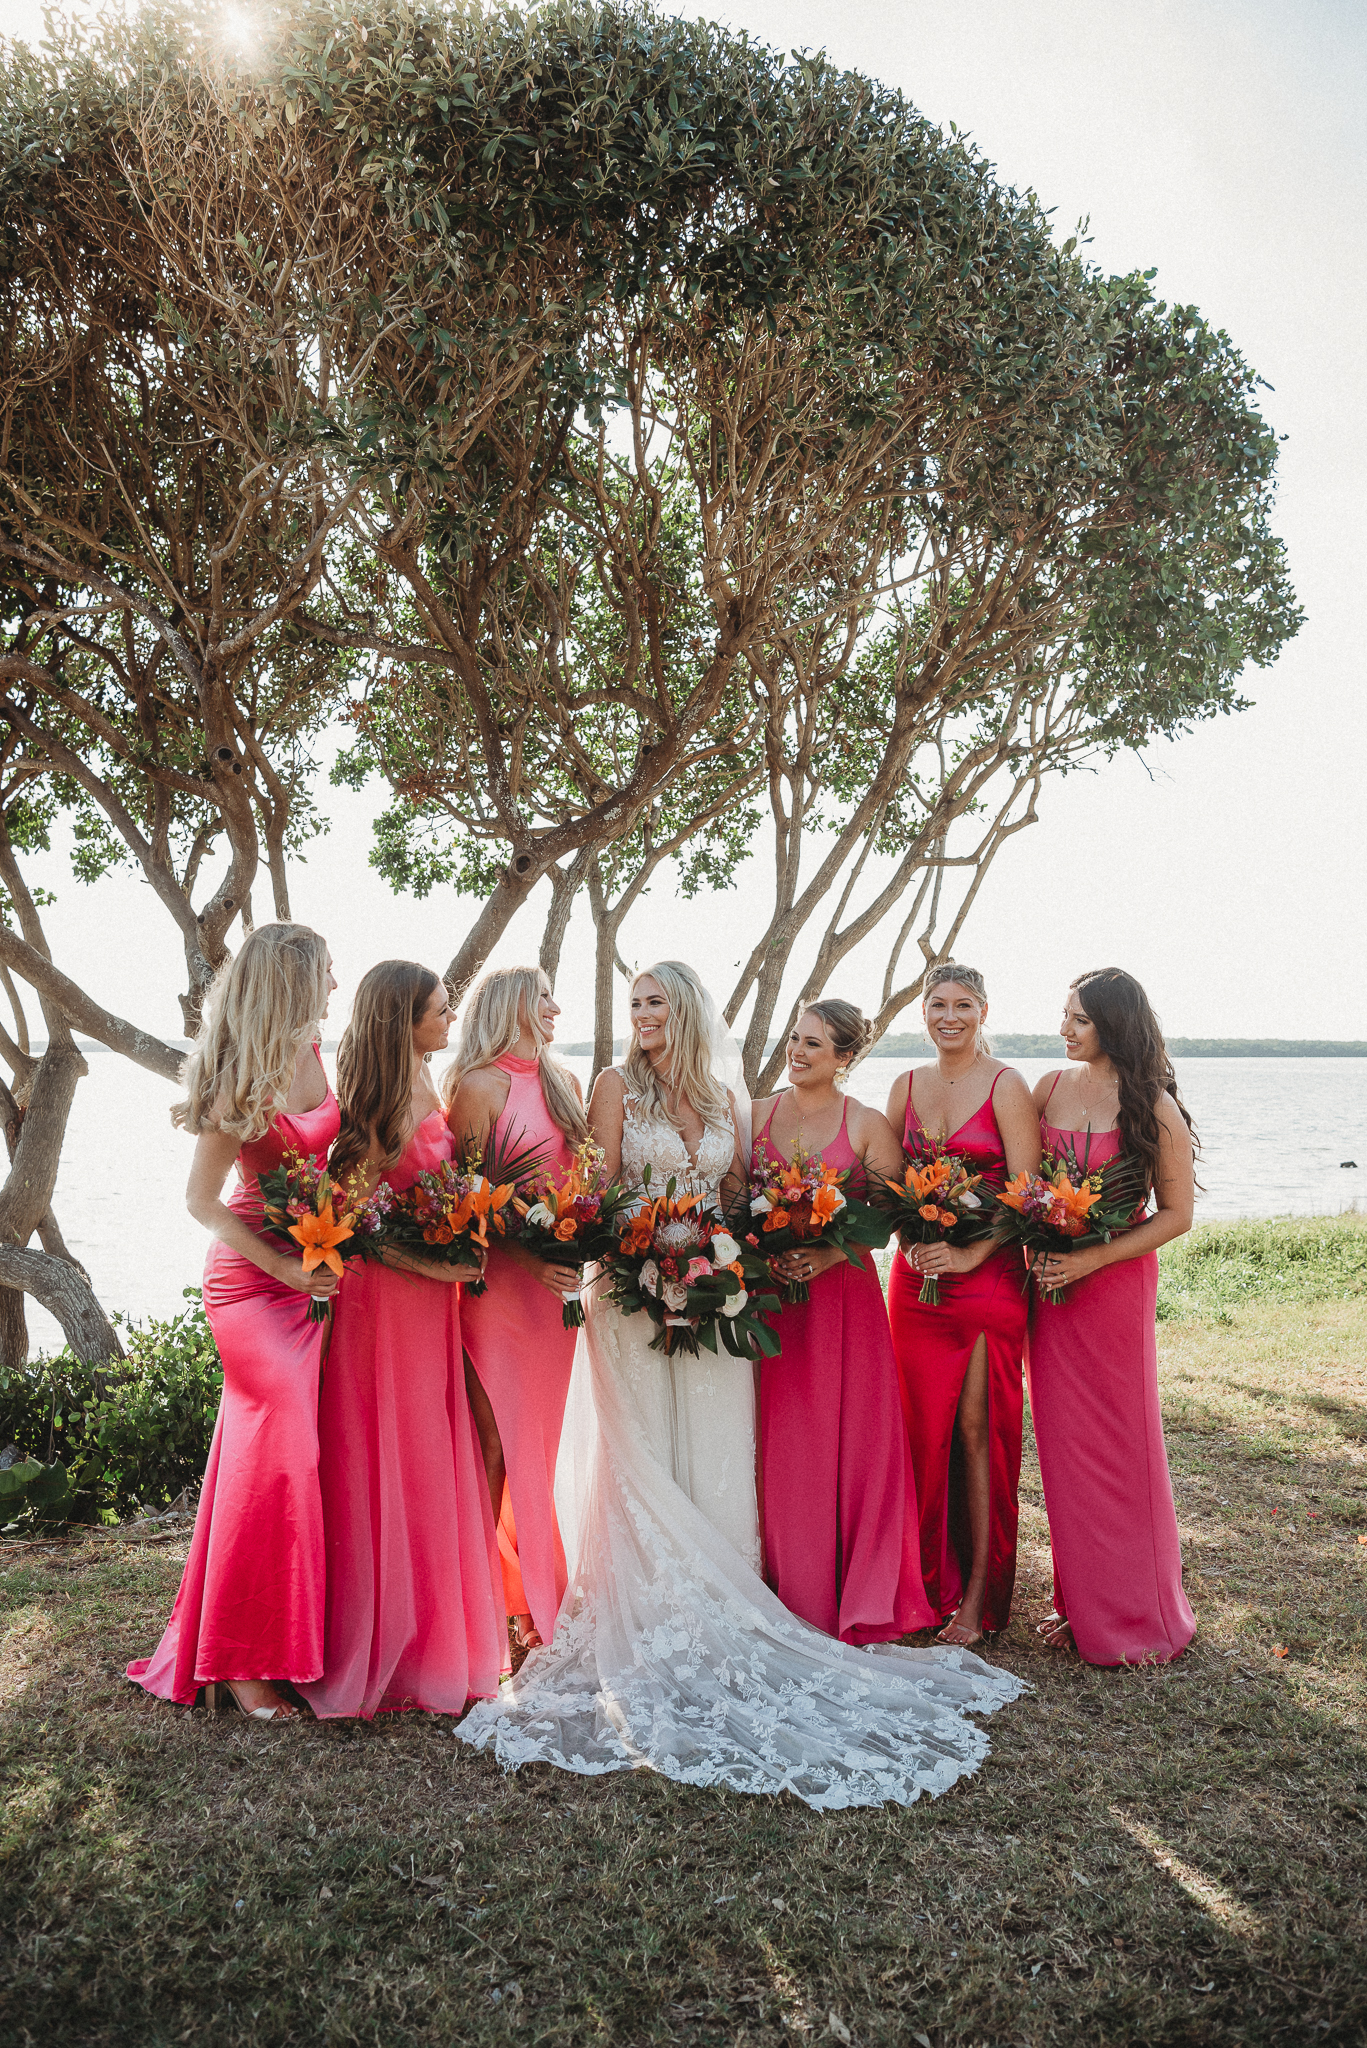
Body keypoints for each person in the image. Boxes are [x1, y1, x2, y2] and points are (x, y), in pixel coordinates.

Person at [456, 960, 1023, 1810]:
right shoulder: (614, 1085)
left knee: (722, 1446)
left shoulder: (728, 1101)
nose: (642, 1014)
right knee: (643, 1450)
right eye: (635, 1002)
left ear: (685, 1009)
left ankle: (727, 1600)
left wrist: (719, 1263)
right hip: (629, 1296)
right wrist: (638, 1260)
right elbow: (601, 1192)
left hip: (717, 1294)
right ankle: (647, 1611)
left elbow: (733, 1196)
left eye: (655, 1001)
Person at [128, 923, 340, 1721]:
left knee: (288, 1458)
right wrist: (283, 1268)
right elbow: (200, 1202)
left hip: (314, 1272)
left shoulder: (315, 1051)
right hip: (252, 1287)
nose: (334, 985)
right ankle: (242, 1664)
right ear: (292, 980)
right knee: (279, 1454)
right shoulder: (234, 1077)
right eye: (325, 972)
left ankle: (289, 1641)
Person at [298, 962, 505, 1719]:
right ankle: (384, 1639)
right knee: (388, 1452)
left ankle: (429, 1632)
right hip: (381, 1309)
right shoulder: (373, 1106)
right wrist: (435, 1261)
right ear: (403, 1020)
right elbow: (353, 1226)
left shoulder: (427, 1081)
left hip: (428, 1306)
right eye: (439, 1011)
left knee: (425, 1452)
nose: (450, 1020)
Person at [1026, 967, 1198, 1666]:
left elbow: (1177, 1215)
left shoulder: (1152, 1106)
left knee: (1122, 1445)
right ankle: (1081, 1600)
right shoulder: (1047, 1089)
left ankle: (1137, 1612)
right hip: (1051, 1291)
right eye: (1065, 1015)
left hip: (1113, 1289)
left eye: (1080, 1019)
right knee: (1064, 1448)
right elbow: (1023, 1185)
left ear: (1113, 1025)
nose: (1064, 1029)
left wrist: (1092, 1259)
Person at [752, 999, 932, 1643]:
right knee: (783, 1441)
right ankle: (786, 1580)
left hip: (843, 1306)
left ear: (844, 1057)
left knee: (849, 1439)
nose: (797, 1053)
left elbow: (888, 1216)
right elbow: (735, 1202)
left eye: (813, 1045)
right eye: (795, 1039)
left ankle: (855, 1582)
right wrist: (760, 1255)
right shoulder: (756, 1115)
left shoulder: (866, 1124)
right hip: (773, 1303)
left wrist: (830, 1253)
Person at [885, 963, 1040, 1647]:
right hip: (915, 1281)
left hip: (986, 1277)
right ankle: (922, 1584)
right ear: (922, 1012)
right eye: (937, 1005)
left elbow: (1028, 1195)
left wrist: (973, 1255)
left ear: (983, 1012)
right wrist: (909, 1237)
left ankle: (978, 1595)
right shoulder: (904, 1085)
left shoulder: (1007, 1085)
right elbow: (886, 1183)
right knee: (918, 1432)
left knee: (978, 1432)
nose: (949, 1017)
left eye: (963, 1005)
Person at [445, 966, 589, 1658]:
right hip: (497, 1289)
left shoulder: (565, 1085)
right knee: (494, 1445)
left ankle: (533, 1600)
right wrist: (528, 1259)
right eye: (543, 997)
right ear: (511, 1006)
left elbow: (580, 1188)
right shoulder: (477, 1086)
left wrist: (581, 1244)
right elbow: (463, 1198)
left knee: (544, 1449)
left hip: (555, 1296)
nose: (555, 1007)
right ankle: (475, 1610)